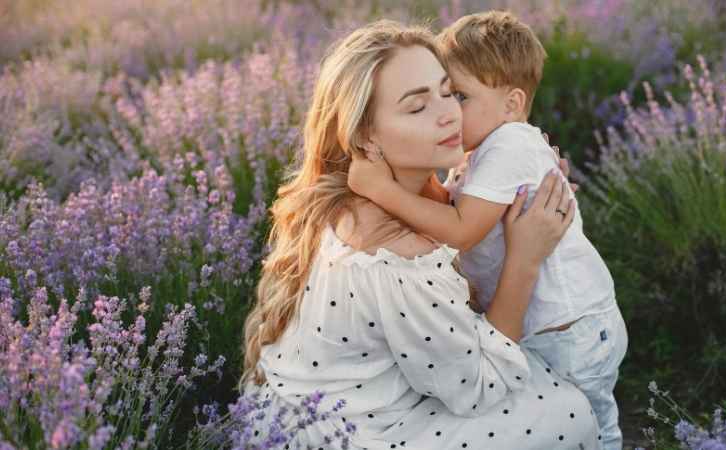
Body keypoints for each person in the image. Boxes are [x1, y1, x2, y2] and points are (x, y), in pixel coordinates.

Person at [240, 19, 600, 449]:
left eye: (450, 93)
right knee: (569, 413)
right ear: (365, 136)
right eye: (416, 107)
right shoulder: (395, 255)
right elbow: (478, 387)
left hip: (298, 409)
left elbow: (449, 215)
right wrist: (525, 257)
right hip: (356, 434)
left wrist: (512, 181)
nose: (448, 112)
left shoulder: (345, 195)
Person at [347, 11, 628, 450]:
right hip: (545, 324)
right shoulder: (480, 153)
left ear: (512, 105)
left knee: (590, 420)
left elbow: (461, 230)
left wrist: (383, 190)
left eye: (458, 96)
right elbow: (446, 207)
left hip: (568, 329)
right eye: (440, 95)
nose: (448, 112)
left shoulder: (510, 145)